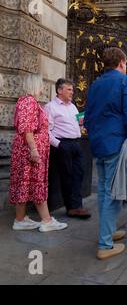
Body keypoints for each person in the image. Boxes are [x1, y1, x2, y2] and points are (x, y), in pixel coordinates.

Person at [84, 47, 127, 260]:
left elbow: (87, 117)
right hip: (116, 143)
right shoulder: (125, 82)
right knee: (112, 192)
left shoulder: (96, 84)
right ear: (122, 63)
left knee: (103, 191)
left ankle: (108, 231)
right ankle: (105, 244)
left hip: (98, 143)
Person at [9, 74, 68, 232]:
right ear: (35, 85)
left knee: (25, 183)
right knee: (36, 183)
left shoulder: (26, 101)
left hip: (26, 150)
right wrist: (34, 149)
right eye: (41, 84)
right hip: (30, 151)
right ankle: (47, 220)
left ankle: (20, 219)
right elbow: (27, 128)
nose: (43, 88)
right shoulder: (29, 101)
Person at [44, 79, 91, 220]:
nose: (72, 92)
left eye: (72, 89)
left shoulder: (72, 106)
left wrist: (82, 124)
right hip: (62, 145)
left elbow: (77, 123)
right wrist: (58, 144)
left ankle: (77, 206)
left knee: (79, 174)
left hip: (76, 143)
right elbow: (46, 130)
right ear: (59, 90)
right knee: (67, 176)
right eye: (69, 89)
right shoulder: (50, 107)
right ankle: (71, 208)